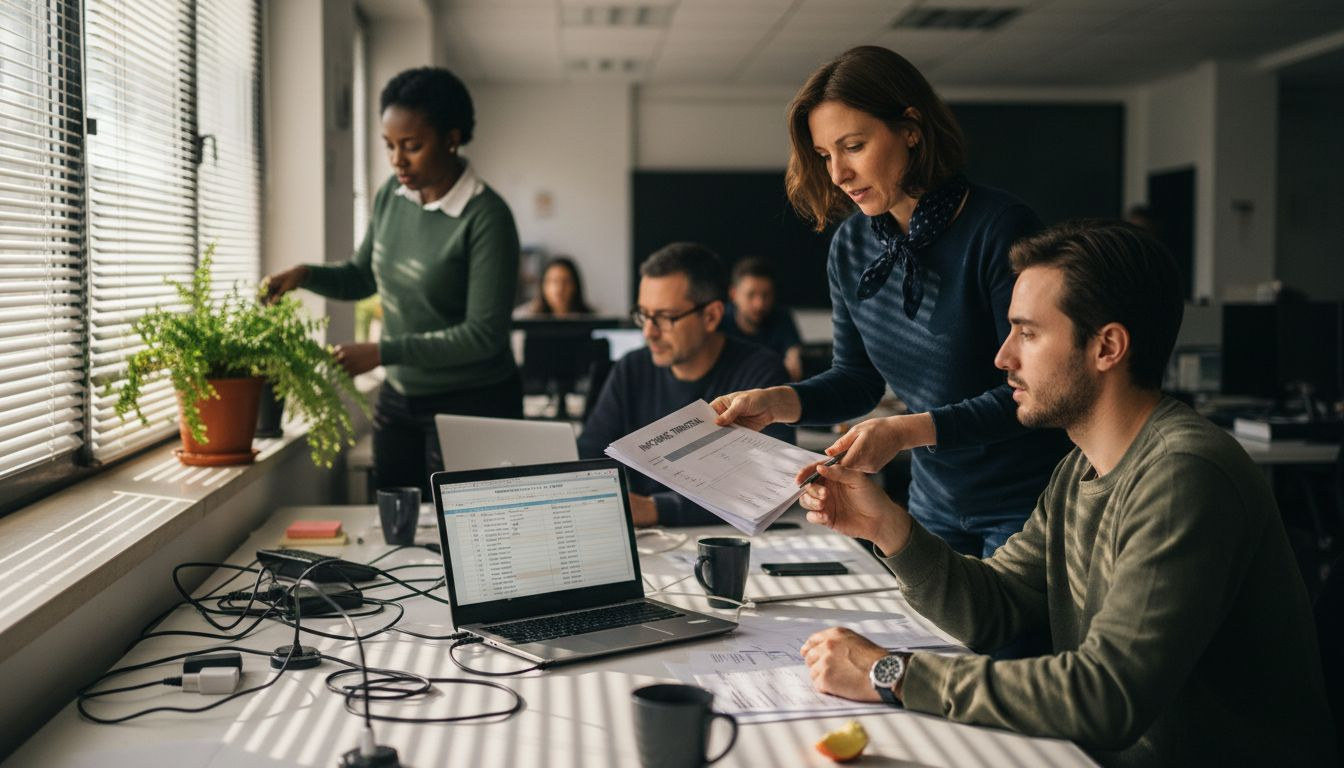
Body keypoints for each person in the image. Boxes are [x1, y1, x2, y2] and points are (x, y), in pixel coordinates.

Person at [797, 221, 1337, 766]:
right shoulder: (1080, 468)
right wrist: (885, 526)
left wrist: (890, 672)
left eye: (1027, 333)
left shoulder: (1183, 475)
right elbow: (996, 607)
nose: (1003, 357)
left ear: (1107, 347)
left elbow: (1107, 695)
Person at [712, 46, 1070, 557]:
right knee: (928, 638)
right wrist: (777, 403)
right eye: (823, 156)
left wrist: (906, 431)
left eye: (852, 146)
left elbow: (1034, 390)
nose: (837, 174)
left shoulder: (999, 228)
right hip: (932, 501)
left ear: (910, 129)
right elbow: (857, 381)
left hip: (1024, 500)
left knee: (1008, 638)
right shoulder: (852, 245)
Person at [263, 67, 521, 497]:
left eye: (412, 146)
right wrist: (305, 276)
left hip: (474, 402)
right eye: (389, 146)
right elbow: (364, 275)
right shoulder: (391, 197)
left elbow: (484, 336)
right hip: (401, 400)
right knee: (396, 529)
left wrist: (382, 352)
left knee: (468, 539)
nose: (397, 160)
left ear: (451, 139)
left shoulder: (487, 217)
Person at [577, 243, 792, 527]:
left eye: (665, 318)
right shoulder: (632, 368)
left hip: (726, 538)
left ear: (712, 316)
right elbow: (588, 458)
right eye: (643, 315)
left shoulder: (760, 374)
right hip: (650, 542)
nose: (649, 332)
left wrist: (655, 509)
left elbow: (774, 484)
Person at [722, 256, 804, 381]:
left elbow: (793, 362)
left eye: (766, 295)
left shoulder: (782, 318)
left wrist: (794, 359)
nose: (759, 304)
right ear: (733, 294)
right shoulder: (718, 320)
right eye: (750, 295)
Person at [514, 256, 595, 318]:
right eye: (553, 281)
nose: (559, 288)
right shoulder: (527, 317)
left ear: (575, 286)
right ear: (542, 286)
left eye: (566, 281)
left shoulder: (592, 317)